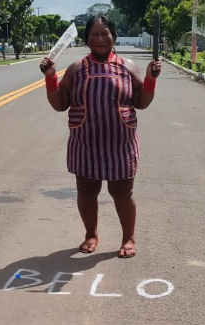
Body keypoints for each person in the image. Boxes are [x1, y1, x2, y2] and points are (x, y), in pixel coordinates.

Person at [40, 15, 160, 258]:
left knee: (122, 194)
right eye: (94, 34)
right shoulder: (76, 70)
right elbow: (59, 103)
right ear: (87, 39)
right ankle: (91, 234)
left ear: (113, 36)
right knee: (87, 192)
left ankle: (128, 238)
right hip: (86, 144)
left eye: (105, 33)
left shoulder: (128, 67)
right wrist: (51, 77)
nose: (100, 38)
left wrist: (150, 79)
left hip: (120, 145)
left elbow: (142, 102)